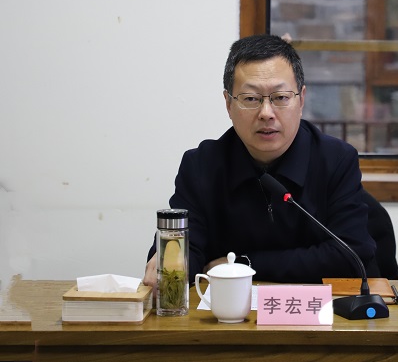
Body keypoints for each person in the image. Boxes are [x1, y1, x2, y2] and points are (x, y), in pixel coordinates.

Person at [143, 34, 378, 287]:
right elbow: (185, 248)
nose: (266, 113)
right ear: (228, 104)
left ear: (301, 100)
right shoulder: (201, 166)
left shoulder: (336, 160)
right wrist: (171, 262)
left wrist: (245, 264)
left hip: (318, 309)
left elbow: (351, 255)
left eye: (281, 97)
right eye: (251, 99)